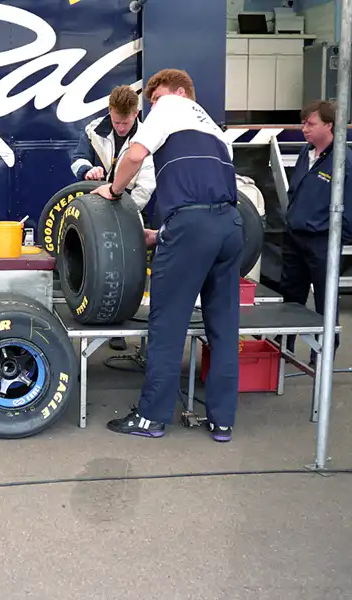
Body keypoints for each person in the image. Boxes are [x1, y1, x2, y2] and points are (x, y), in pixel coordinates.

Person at [93, 69, 243, 443]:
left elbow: (135, 155)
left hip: (191, 227)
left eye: (154, 98)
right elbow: (210, 192)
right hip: (230, 227)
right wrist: (161, 235)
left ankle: (151, 417)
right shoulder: (215, 130)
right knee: (223, 329)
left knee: (167, 324)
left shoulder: (171, 105)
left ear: (178, 91)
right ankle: (223, 422)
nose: (152, 106)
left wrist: (113, 190)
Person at [70, 85, 156, 352]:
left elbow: (146, 185)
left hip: (129, 211)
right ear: (110, 112)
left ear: (137, 113)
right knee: (98, 268)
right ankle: (99, 320)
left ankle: (120, 327)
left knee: (129, 271)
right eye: (117, 121)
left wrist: (123, 209)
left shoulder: (149, 136)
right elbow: (76, 159)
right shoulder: (93, 130)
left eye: (126, 122)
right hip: (94, 211)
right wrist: (87, 170)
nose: (120, 127)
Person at [279, 100, 352, 365]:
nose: (305, 129)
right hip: (295, 238)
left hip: (322, 242)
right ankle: (284, 350)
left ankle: (323, 359)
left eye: (311, 124)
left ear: (329, 125)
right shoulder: (306, 153)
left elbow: (351, 209)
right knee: (291, 299)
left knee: (326, 302)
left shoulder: (345, 162)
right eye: (304, 123)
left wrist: (334, 242)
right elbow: (295, 192)